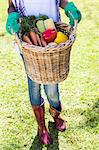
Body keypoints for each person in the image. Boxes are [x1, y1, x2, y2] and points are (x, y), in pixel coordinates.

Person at [6, 0, 81, 145]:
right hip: (28, 42)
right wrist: (12, 17)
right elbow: (11, 5)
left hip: (53, 36)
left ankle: (56, 115)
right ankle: (41, 127)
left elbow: (61, 1)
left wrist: (69, 8)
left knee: (52, 88)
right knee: (34, 85)